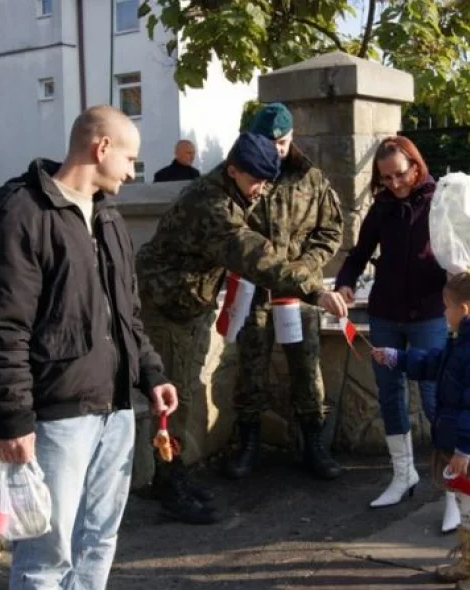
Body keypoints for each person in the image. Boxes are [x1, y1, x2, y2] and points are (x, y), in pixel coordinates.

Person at [0, 105, 178, 590]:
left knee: (99, 540)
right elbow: (2, 327)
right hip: (58, 417)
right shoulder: (19, 212)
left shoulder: (108, 216)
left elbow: (126, 313)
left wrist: (151, 375)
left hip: (115, 411)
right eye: (129, 157)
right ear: (101, 147)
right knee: (46, 555)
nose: (133, 171)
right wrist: (12, 419)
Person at [136, 132, 349, 524]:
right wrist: (315, 289)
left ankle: (172, 473)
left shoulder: (233, 190)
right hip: (168, 308)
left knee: (181, 394)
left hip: (190, 304)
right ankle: (168, 483)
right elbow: (255, 255)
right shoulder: (213, 204)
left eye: (268, 182)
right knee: (171, 400)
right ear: (232, 170)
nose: (261, 191)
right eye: (256, 182)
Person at [334, 136, 457, 532]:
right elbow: (358, 253)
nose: (394, 184)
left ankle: (453, 489)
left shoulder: (441, 201)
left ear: (416, 167)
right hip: (386, 312)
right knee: (390, 393)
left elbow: (459, 252)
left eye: (399, 175)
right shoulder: (383, 206)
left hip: (429, 313)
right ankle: (404, 475)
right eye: (385, 178)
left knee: (435, 397)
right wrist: (345, 283)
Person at [371, 269, 470, 590]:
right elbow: (433, 363)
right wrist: (396, 357)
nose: (442, 313)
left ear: (464, 310)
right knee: (467, 506)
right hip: (467, 446)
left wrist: (463, 451)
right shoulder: (463, 344)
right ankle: (469, 563)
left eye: (446, 306)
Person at [224, 102, 344, 481]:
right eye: (269, 141)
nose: (276, 148)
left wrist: (304, 269)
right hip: (253, 289)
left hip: (300, 290)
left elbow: (330, 232)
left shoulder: (312, 179)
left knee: (306, 368)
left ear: (293, 138)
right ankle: (248, 445)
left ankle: (313, 445)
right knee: (250, 367)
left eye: (283, 141)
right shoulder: (244, 172)